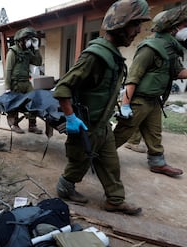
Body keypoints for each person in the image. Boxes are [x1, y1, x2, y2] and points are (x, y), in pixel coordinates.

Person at [53, 0, 151, 215]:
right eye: (135, 25)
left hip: (102, 125)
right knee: (78, 164)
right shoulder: (95, 56)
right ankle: (65, 187)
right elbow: (62, 88)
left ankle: (115, 200)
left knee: (110, 164)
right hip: (84, 126)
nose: (138, 31)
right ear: (120, 24)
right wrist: (70, 118)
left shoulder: (113, 55)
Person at [113, 4, 187, 177]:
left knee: (155, 135)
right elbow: (133, 77)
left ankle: (157, 163)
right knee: (122, 134)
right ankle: (97, 157)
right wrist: (125, 105)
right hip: (139, 101)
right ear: (172, 27)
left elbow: (178, 73)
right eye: (185, 26)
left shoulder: (171, 49)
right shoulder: (150, 48)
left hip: (154, 101)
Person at [4, 27, 43, 134]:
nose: (29, 41)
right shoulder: (13, 51)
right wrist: (7, 87)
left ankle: (32, 125)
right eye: (27, 39)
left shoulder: (28, 52)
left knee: (33, 101)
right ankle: (15, 124)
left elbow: (38, 62)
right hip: (15, 83)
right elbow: (8, 70)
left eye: (30, 39)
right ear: (20, 40)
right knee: (15, 104)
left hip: (26, 82)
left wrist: (36, 48)